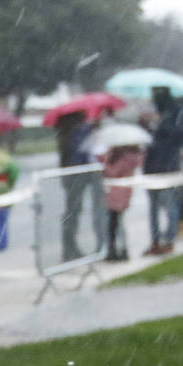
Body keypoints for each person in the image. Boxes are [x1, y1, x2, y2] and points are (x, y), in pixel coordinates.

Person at [141, 87, 183, 256]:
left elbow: (180, 134)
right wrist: (146, 123)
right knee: (153, 206)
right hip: (151, 164)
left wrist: (161, 123)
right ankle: (155, 241)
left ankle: (169, 240)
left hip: (168, 164)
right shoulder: (153, 113)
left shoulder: (177, 112)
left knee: (170, 204)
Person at [56, 111, 104, 260]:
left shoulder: (64, 134)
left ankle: (69, 247)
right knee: (74, 211)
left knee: (72, 212)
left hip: (72, 175)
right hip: (78, 175)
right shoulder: (78, 132)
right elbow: (82, 150)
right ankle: (71, 248)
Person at [100, 143, 145, 261]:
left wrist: (104, 163)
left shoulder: (121, 157)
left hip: (116, 193)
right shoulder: (133, 156)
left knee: (114, 223)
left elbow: (112, 172)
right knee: (119, 222)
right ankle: (122, 249)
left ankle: (116, 249)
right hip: (125, 193)